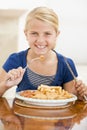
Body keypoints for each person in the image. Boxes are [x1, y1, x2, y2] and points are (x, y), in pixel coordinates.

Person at [0, 6, 87, 100]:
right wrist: (6, 85)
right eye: (34, 33)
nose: (40, 40)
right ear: (26, 34)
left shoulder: (66, 64)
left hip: (56, 114)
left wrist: (81, 95)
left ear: (56, 35)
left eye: (47, 34)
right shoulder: (15, 60)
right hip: (22, 114)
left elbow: (72, 101)